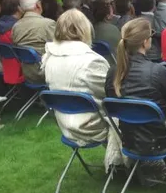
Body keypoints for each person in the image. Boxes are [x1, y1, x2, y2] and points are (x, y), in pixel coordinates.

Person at [106, 18, 166, 181]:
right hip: (159, 139)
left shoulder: (113, 72)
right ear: (145, 41)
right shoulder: (156, 71)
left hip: (130, 139)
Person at [43, 10, 120, 169]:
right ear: (84, 29)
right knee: (130, 109)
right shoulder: (91, 61)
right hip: (90, 126)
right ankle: (147, 164)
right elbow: (111, 94)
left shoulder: (49, 56)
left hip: (66, 123)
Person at [11, 0, 57, 83]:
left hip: (26, 73)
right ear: (38, 5)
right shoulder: (48, 24)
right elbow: (61, 47)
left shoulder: (16, 26)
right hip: (47, 72)